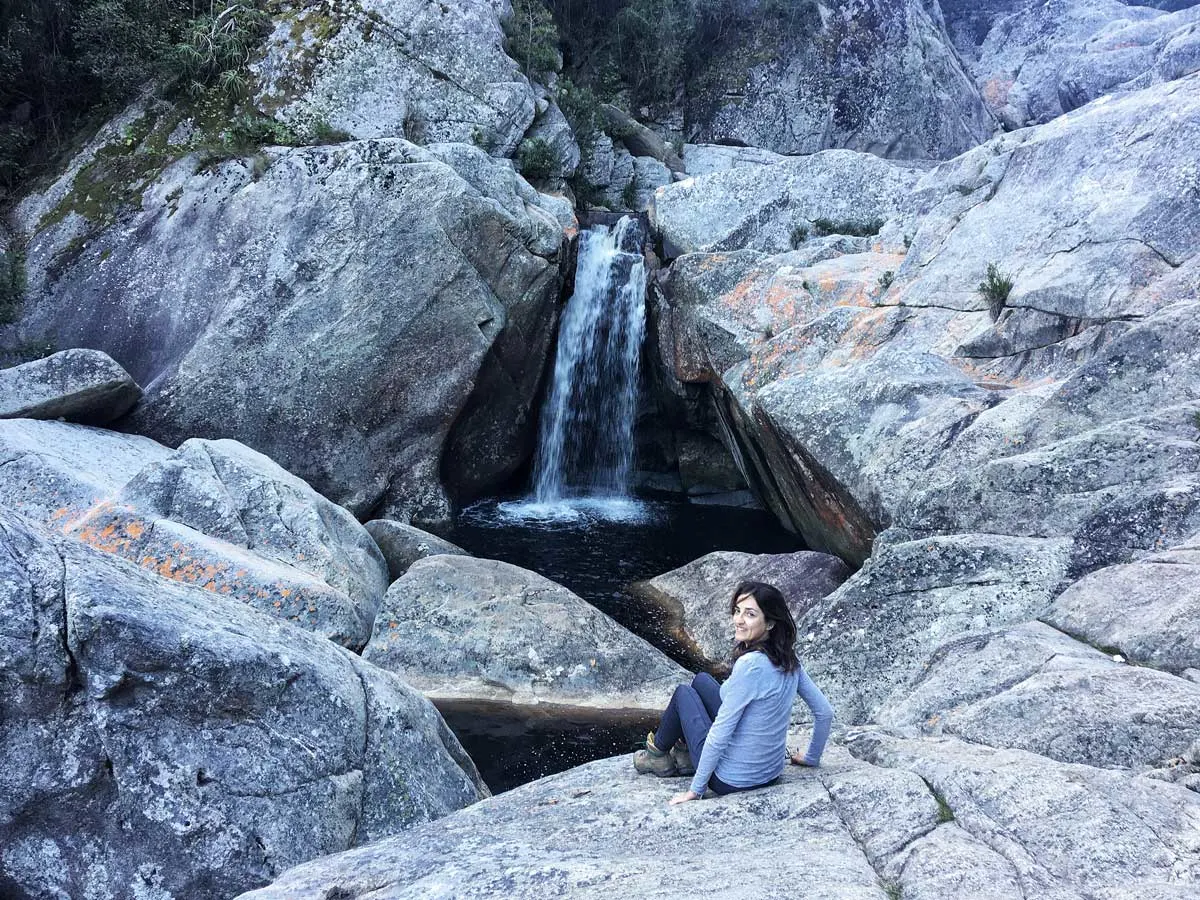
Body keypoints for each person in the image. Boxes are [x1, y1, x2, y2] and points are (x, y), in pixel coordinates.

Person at [632, 580, 833, 805]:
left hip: (729, 779)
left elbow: (719, 735)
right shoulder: (788, 659)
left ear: (769, 624)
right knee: (701, 680)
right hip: (770, 772)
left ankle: (657, 755)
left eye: (750, 614)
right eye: (737, 611)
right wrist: (811, 758)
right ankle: (683, 754)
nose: (738, 620)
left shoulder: (750, 666)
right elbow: (824, 712)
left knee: (683, 694)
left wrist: (695, 791)